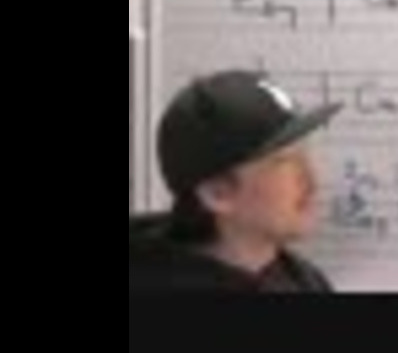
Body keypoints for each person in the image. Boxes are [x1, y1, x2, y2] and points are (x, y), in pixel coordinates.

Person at [129, 70, 343, 293]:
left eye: (304, 153)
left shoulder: (305, 280)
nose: (311, 181)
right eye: (284, 161)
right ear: (217, 193)